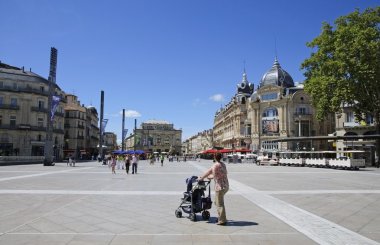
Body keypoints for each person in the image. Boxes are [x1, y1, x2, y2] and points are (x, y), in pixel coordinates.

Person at [198, 152, 229, 225]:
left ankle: (222, 220)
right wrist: (206, 177)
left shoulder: (215, 165)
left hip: (220, 187)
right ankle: (221, 217)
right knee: (217, 202)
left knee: (219, 204)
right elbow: (225, 173)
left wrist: (203, 178)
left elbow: (211, 174)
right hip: (226, 186)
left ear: (215, 157)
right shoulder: (223, 164)